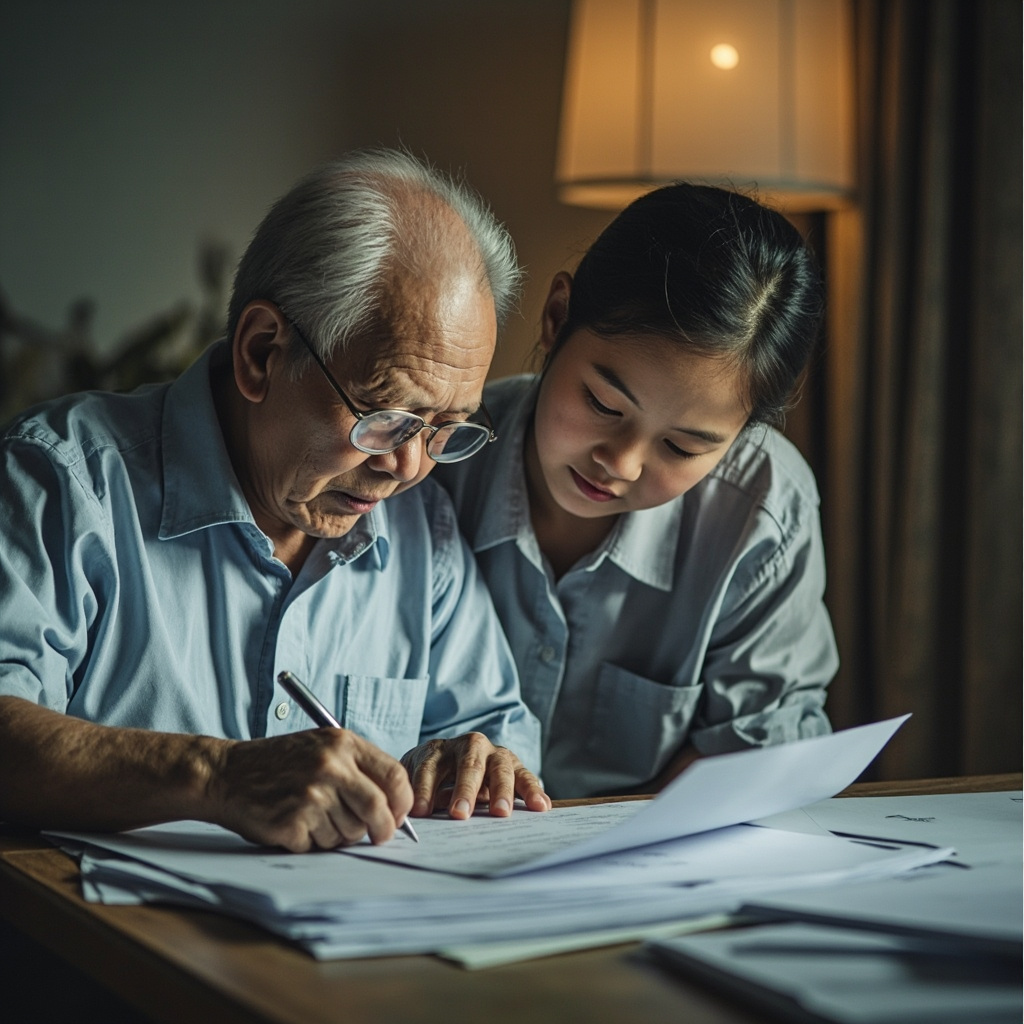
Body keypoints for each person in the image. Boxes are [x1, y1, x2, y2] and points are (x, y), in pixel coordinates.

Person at [0, 149, 550, 852]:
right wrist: (216, 776)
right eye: (386, 415)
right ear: (261, 352)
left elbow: (496, 736)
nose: (407, 467)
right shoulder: (63, 482)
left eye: (446, 428)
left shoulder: (424, 533)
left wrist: (474, 763)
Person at [436, 183, 840, 799]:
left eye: (682, 447)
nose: (620, 464)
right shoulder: (433, 459)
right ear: (556, 318)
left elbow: (754, 750)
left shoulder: (762, 516)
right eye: (603, 404)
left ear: (740, 437)